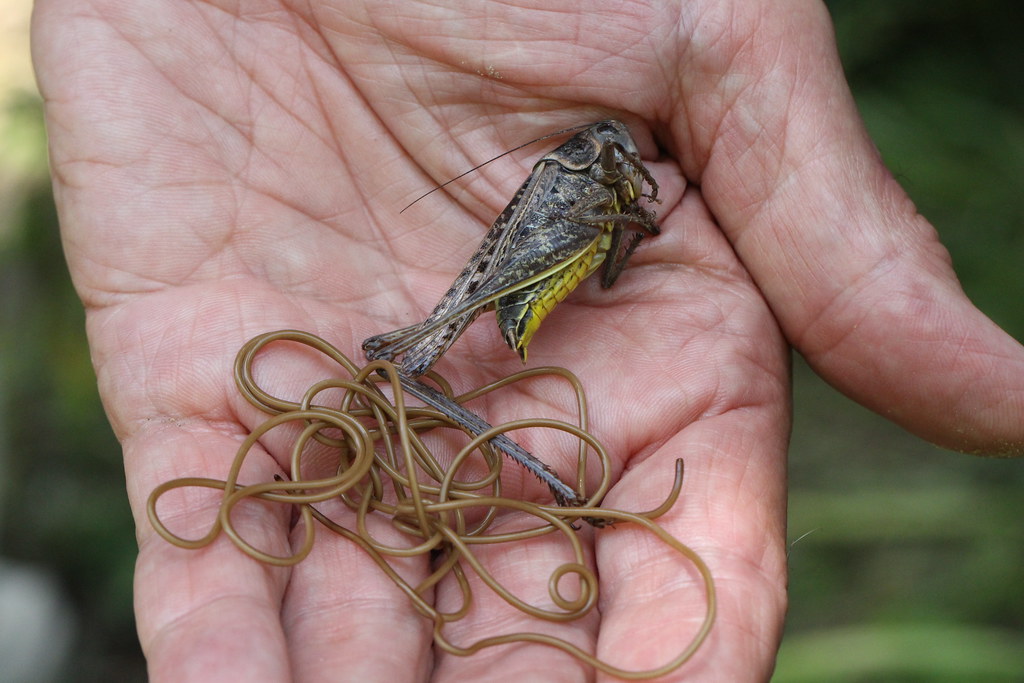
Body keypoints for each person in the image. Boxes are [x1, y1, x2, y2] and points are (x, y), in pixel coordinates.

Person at [31, 1, 1024, 680]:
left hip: (557, 257)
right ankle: (442, 401)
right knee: (436, 349)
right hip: (513, 275)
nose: (618, 158)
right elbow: (604, 235)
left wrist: (624, 214)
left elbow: (617, 245)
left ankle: (440, 401)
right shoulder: (580, 182)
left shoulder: (604, 176)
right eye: (606, 154)